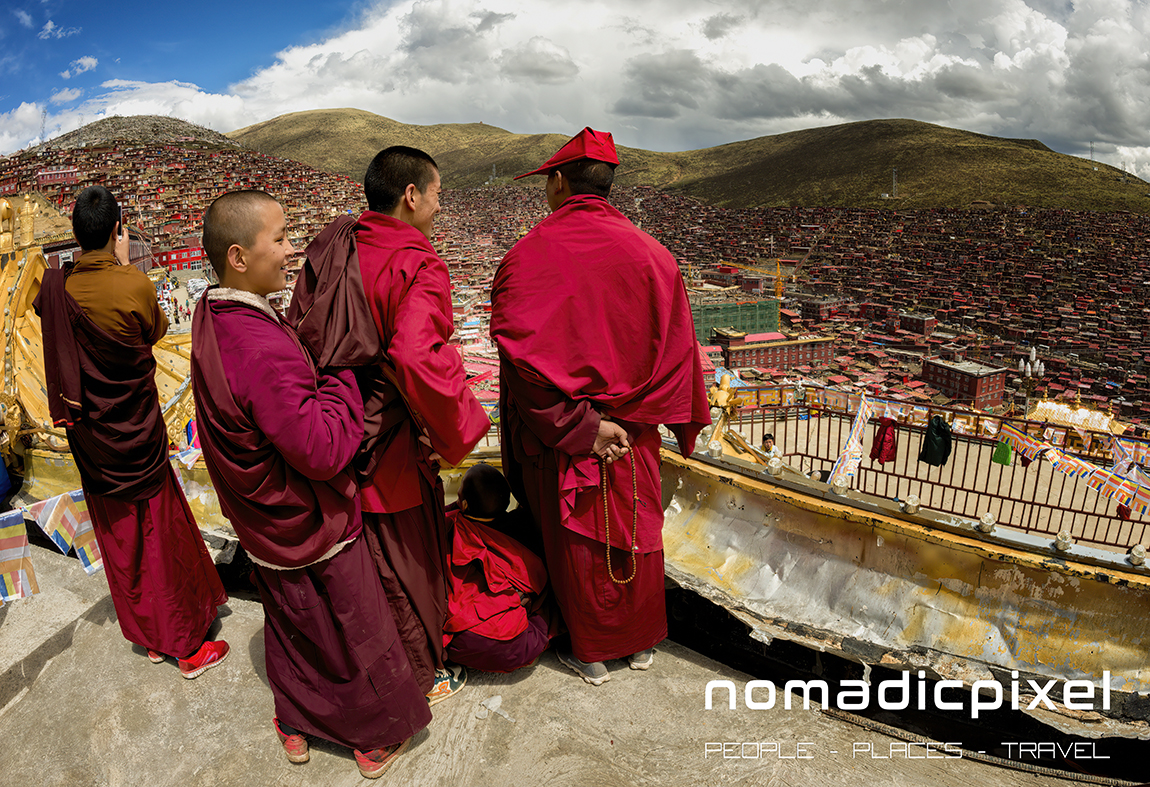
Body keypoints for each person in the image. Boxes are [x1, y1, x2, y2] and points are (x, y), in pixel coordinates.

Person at [191, 190, 429, 778]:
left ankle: (295, 720)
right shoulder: (260, 346)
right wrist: (344, 371)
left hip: (260, 519)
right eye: (279, 238)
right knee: (348, 623)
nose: (291, 250)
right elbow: (323, 449)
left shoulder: (213, 315)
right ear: (239, 258)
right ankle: (373, 735)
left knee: (295, 624)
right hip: (305, 515)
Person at [491, 128, 710, 686]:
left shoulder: (527, 256)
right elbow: (680, 350)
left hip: (561, 431)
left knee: (575, 543)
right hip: (632, 433)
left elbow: (520, 357)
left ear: (559, 181)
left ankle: (588, 651)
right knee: (637, 530)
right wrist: (636, 418)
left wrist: (580, 424)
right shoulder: (654, 255)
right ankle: (638, 645)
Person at [289, 146, 490, 704]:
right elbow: (420, 357)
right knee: (406, 568)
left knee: (359, 561)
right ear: (411, 195)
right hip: (389, 443)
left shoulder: (334, 243)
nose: (437, 206)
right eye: (437, 195)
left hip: (331, 427)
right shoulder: (418, 262)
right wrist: (461, 429)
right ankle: (420, 673)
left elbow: (300, 328)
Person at [33, 185, 228, 678]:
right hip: (137, 437)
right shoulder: (135, 286)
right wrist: (123, 264)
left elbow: (46, 315)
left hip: (92, 442)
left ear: (74, 234)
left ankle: (150, 637)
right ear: (119, 229)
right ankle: (187, 646)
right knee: (159, 537)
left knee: (122, 542)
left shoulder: (56, 289)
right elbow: (157, 333)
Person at [444, 463, 553, 673]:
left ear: (464, 504)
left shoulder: (452, 528)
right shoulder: (525, 524)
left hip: (467, 640)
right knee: (546, 605)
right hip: (520, 643)